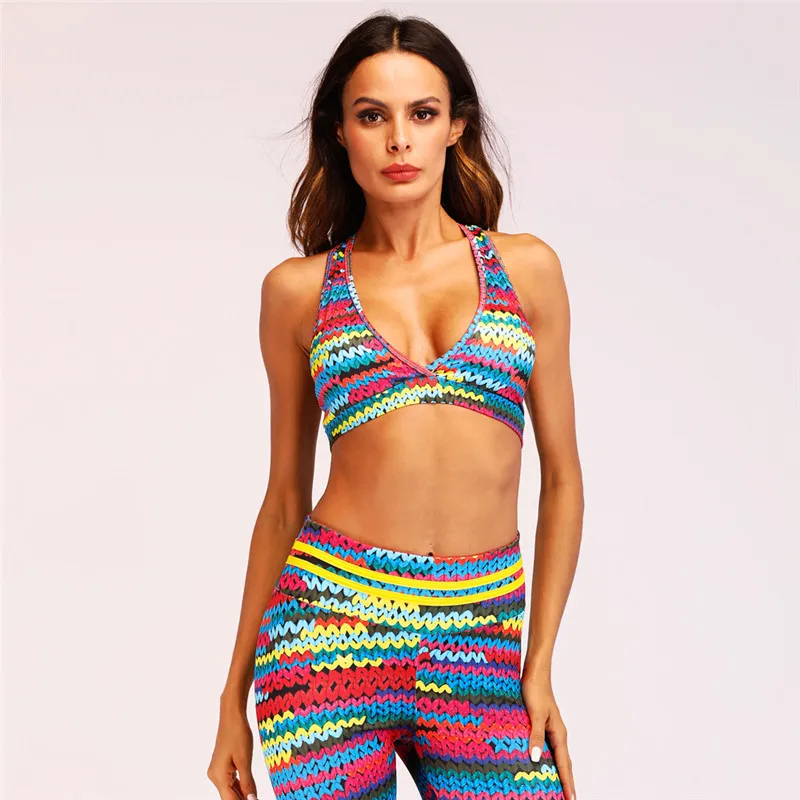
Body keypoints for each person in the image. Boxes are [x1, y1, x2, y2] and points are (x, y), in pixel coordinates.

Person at [208, 13, 582, 800]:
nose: (399, 139)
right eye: (373, 115)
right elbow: (283, 500)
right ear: (340, 132)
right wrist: (229, 700)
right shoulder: (299, 292)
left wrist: (540, 663)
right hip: (327, 638)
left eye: (423, 113)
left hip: (482, 642)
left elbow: (564, 481)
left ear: (456, 126)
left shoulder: (526, 271)